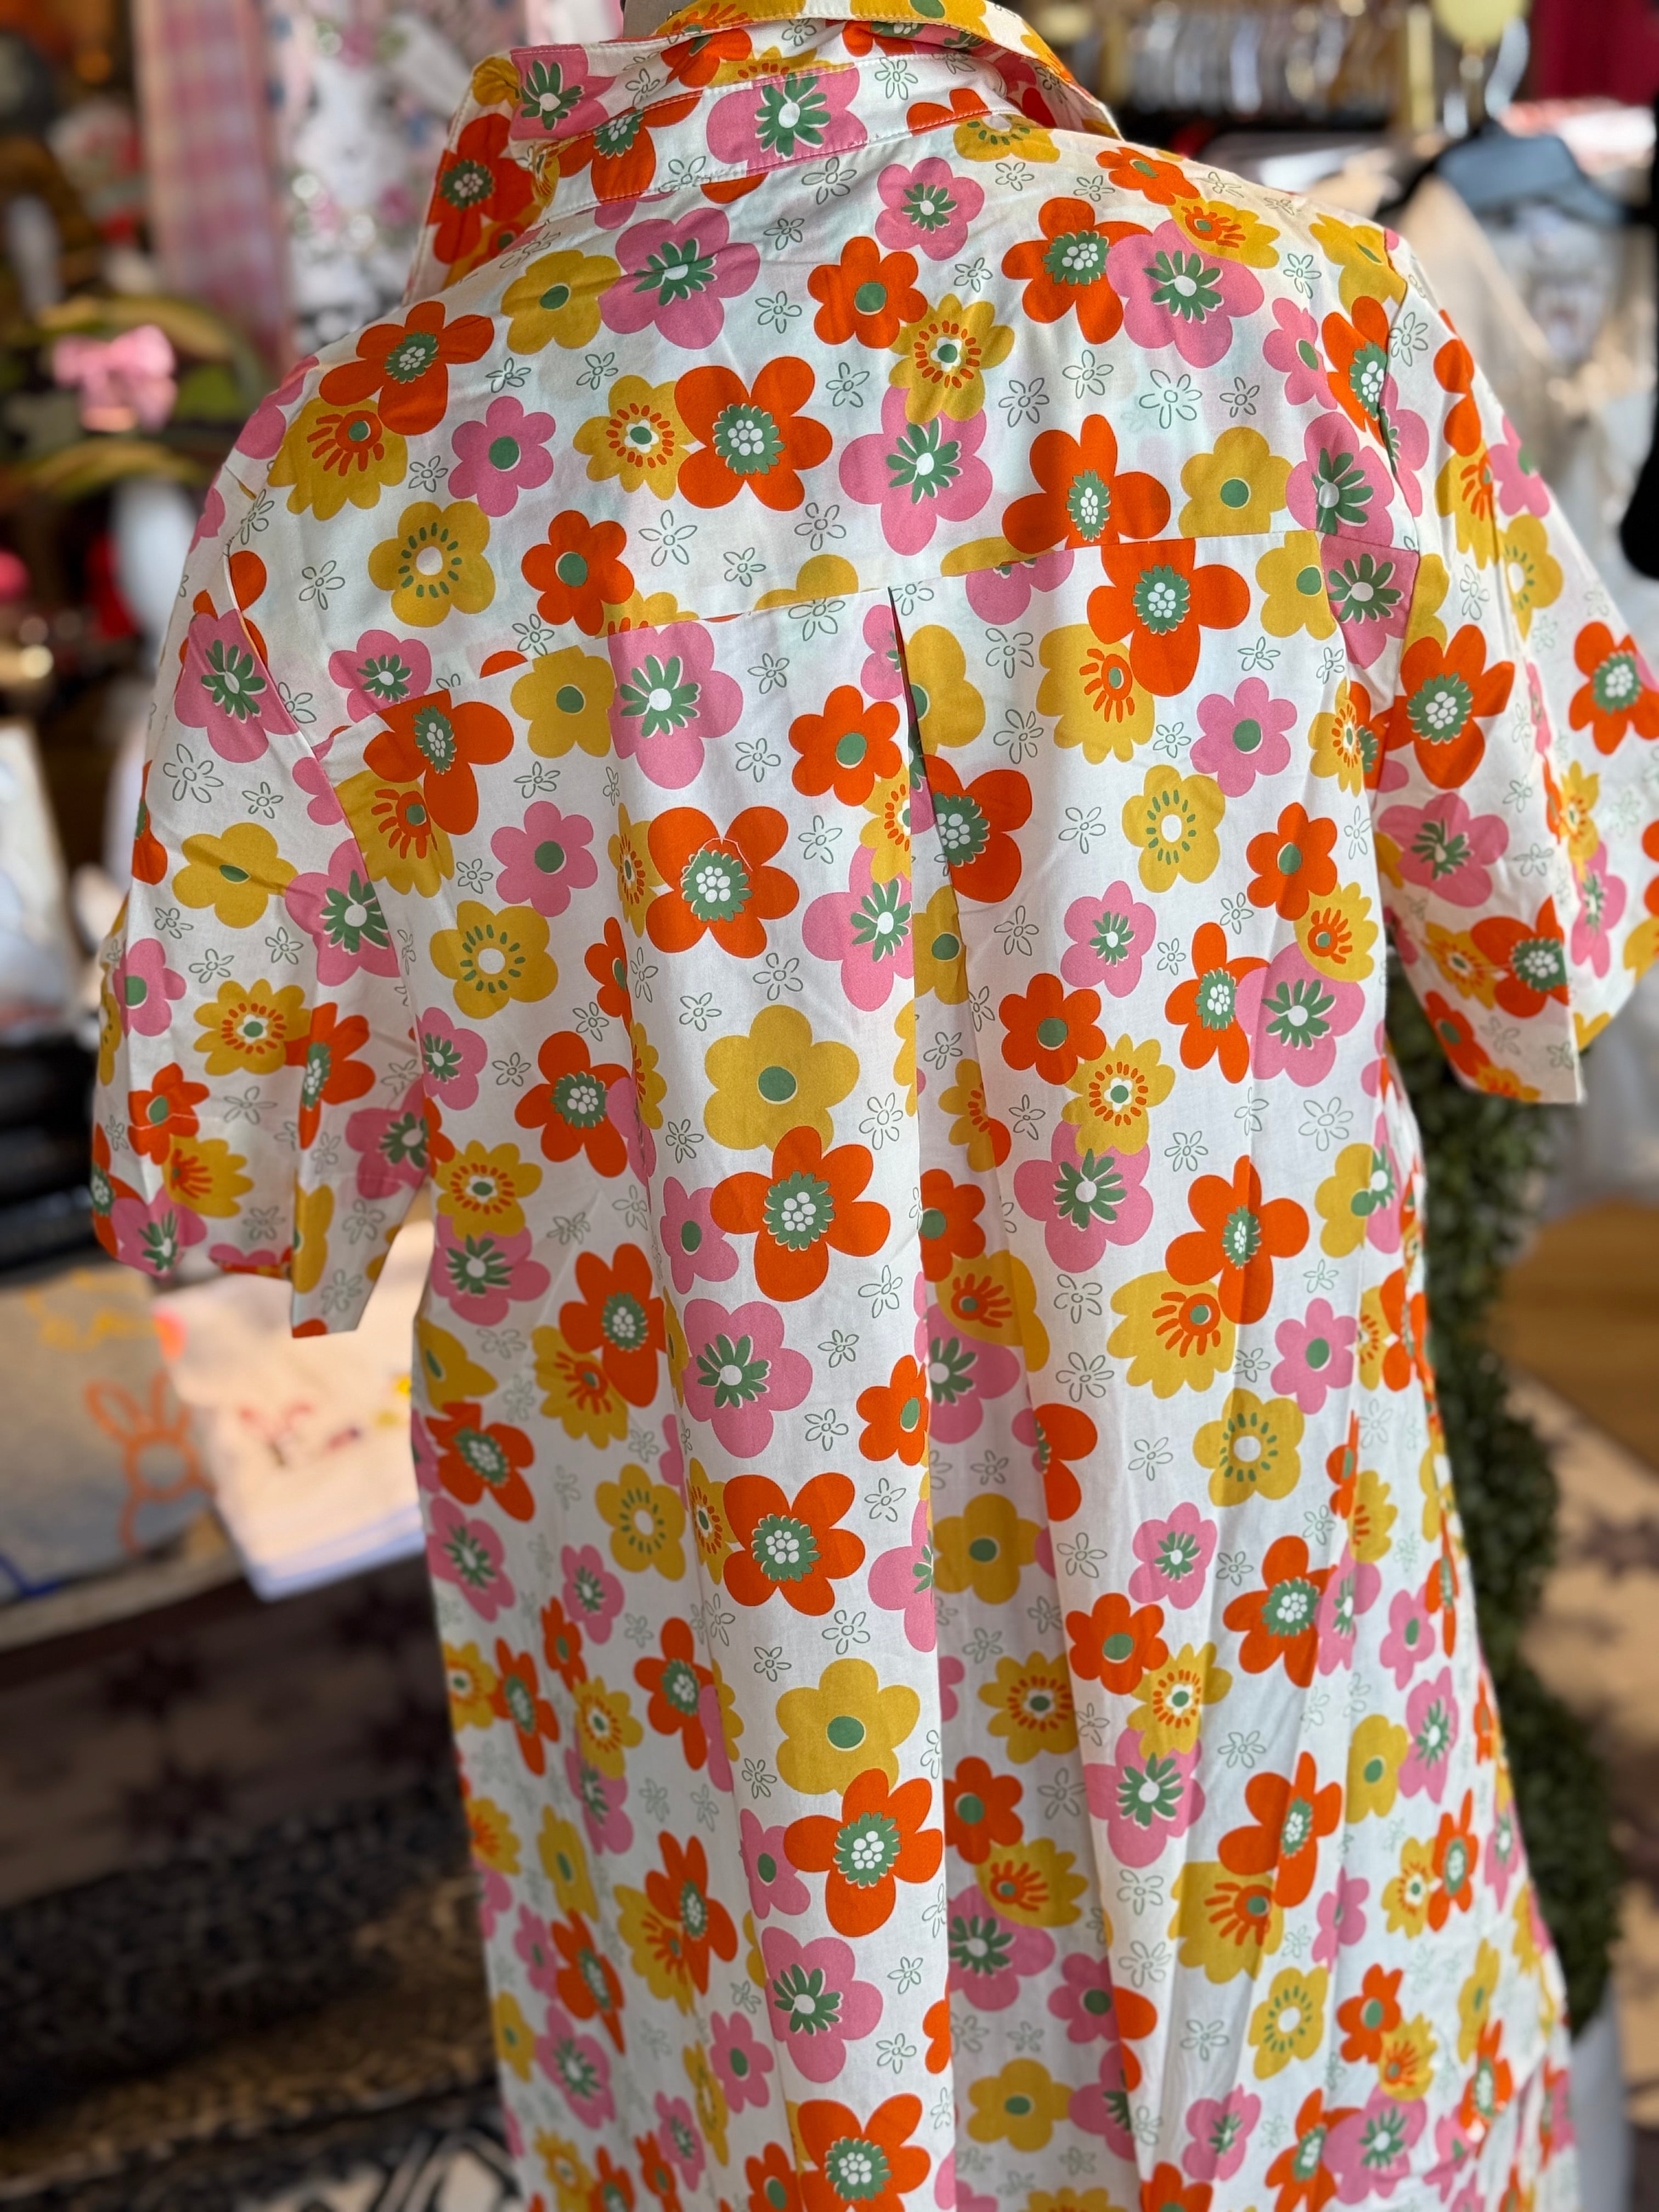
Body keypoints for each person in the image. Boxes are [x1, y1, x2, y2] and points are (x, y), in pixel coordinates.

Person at [93, 2, 1658, 2204]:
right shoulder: (1293, 322)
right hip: (1254, 1673)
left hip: (722, 1741)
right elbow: (1554, 918)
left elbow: (219, 1150)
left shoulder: (366, 462)